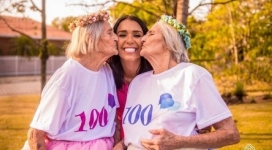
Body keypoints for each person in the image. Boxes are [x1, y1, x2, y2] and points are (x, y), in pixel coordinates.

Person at [122, 15, 240, 150]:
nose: (142, 39)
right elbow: (135, 135)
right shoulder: (138, 82)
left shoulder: (193, 75)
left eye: (151, 34)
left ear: (168, 42)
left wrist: (180, 142)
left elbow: (231, 134)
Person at [21, 10, 119, 150]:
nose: (116, 38)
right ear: (90, 38)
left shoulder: (107, 71)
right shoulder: (67, 76)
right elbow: (36, 134)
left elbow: (113, 119)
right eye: (110, 33)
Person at [107, 15, 153, 145]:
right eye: (122, 35)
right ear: (115, 39)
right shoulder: (105, 74)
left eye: (137, 35)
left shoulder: (157, 75)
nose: (130, 40)